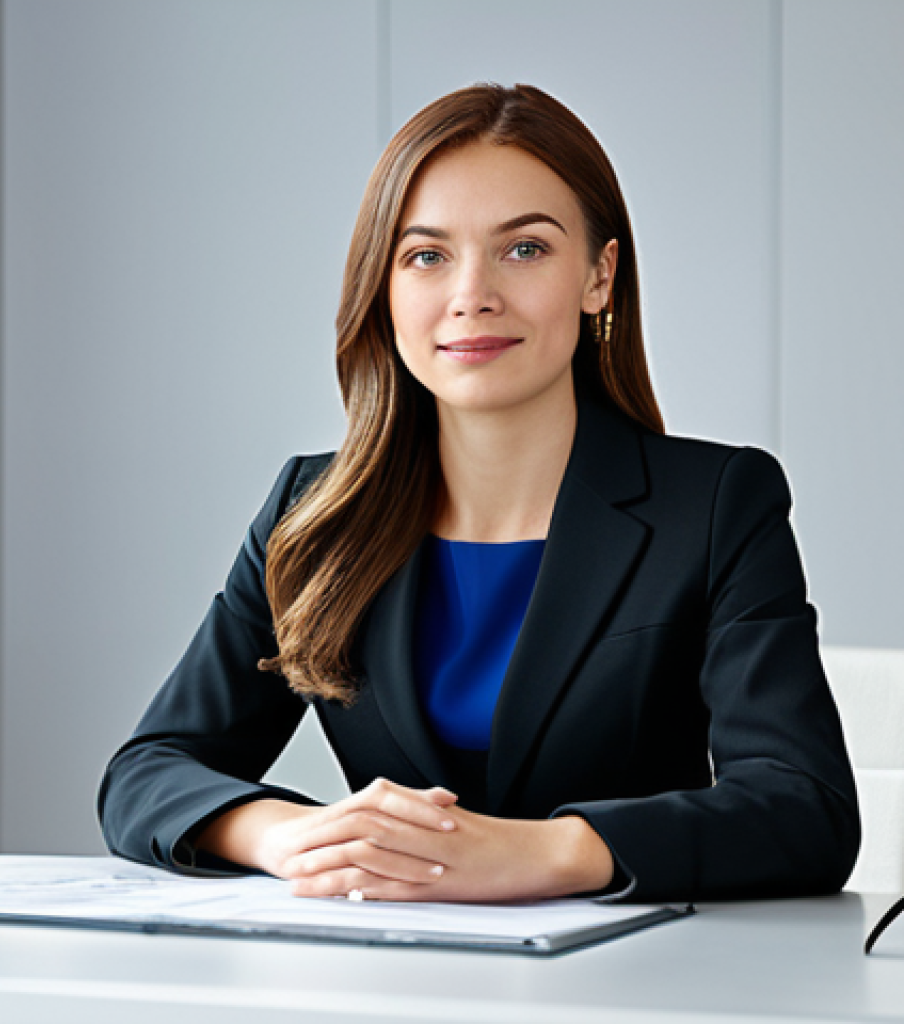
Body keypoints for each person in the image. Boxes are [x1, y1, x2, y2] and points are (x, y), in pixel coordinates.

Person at [98, 83, 860, 903]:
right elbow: (149, 772)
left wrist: (547, 853)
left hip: (634, 966)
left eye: (524, 249)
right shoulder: (313, 510)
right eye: (427, 257)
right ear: (384, 287)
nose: (473, 295)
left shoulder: (714, 505)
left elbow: (803, 808)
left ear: (599, 276)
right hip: (387, 963)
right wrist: (294, 838)